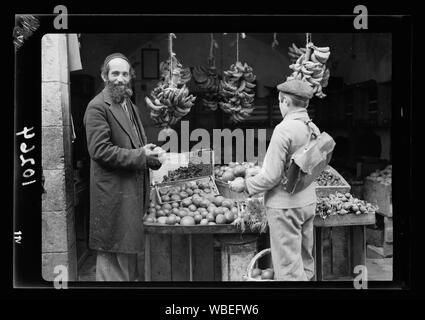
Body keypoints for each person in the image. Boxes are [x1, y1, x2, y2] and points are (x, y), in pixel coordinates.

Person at [230, 79, 319, 281]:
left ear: (285, 100)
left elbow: (271, 177)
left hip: (286, 208)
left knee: (288, 270)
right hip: (307, 203)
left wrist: (245, 185)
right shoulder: (312, 128)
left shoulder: (284, 130)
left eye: (280, 101)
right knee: (305, 264)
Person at [83, 53, 162, 281]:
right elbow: (100, 151)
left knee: (125, 259)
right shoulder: (97, 107)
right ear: (104, 76)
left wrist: (150, 153)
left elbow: (134, 144)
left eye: (125, 74)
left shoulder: (128, 104)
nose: (120, 79)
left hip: (129, 194)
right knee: (113, 257)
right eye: (115, 73)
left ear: (130, 77)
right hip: (113, 196)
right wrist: (141, 155)